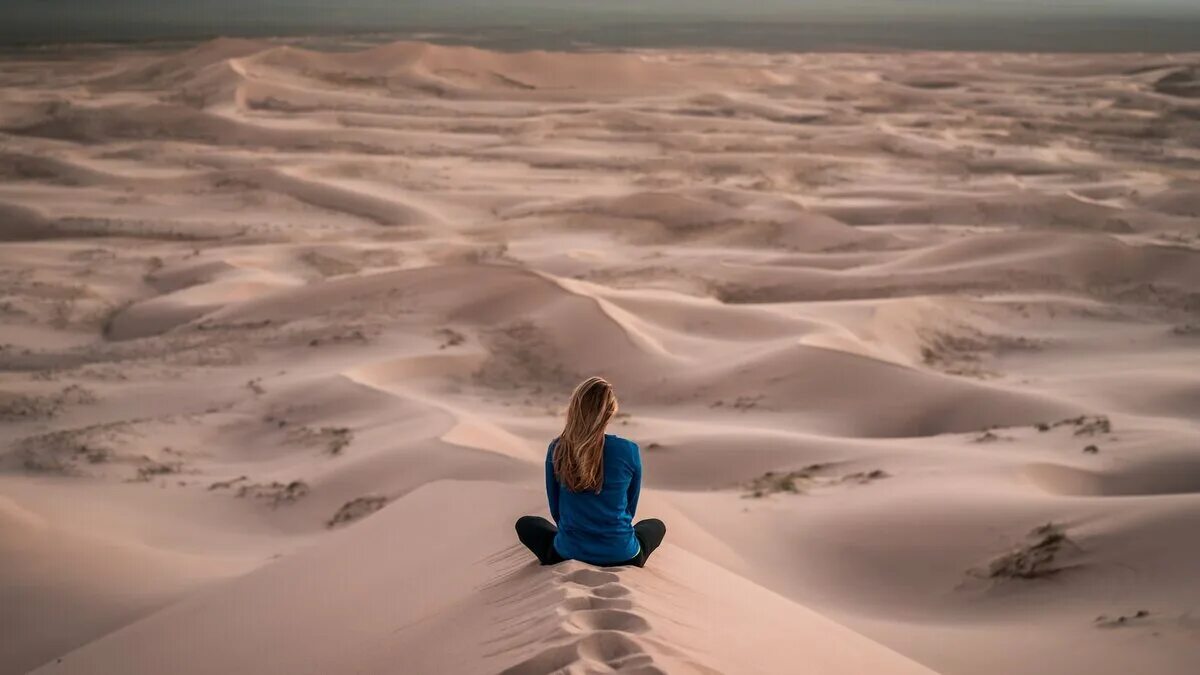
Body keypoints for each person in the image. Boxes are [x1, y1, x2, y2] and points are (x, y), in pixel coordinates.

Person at [515, 376, 666, 568]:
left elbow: (556, 510)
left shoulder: (558, 448)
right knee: (655, 525)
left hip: (568, 552)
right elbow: (630, 508)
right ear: (610, 412)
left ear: (574, 409)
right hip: (623, 554)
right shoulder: (629, 450)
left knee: (527, 524)